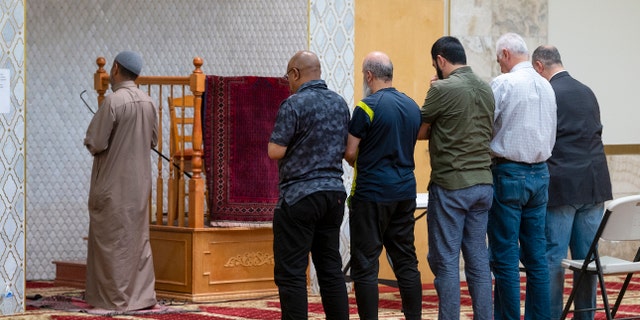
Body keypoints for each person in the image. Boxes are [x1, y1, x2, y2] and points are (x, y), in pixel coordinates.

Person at [532, 45, 613, 320]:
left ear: (540, 67)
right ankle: (585, 316)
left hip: (562, 186)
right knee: (586, 260)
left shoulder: (548, 92)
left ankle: (551, 316)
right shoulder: (586, 90)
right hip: (594, 184)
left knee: (553, 258)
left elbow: (542, 140)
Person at [268, 50, 350, 320]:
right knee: (330, 269)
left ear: (295, 73)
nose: (288, 82)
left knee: (291, 273)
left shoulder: (294, 104)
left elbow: (275, 150)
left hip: (299, 197)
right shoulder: (340, 103)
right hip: (334, 195)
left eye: (288, 76)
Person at [418, 36, 494, 320]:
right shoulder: (486, 88)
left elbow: (419, 130)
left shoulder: (442, 89)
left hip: (451, 185)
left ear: (440, 60)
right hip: (483, 184)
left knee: (446, 261)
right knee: (477, 261)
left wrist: (432, 92)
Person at [345, 51, 423, 320]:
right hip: (404, 192)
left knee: (366, 265)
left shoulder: (366, 107)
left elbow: (350, 152)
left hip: (371, 195)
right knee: (406, 261)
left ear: (369, 75)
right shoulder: (413, 106)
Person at [488, 33, 557, 320]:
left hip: (508, 173)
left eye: (498, 60)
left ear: (505, 54)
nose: (500, 65)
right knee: (536, 257)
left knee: (504, 257)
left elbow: (486, 126)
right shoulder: (547, 86)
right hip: (541, 174)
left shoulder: (502, 83)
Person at [83, 50, 158, 311]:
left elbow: (95, 142)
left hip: (113, 186)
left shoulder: (113, 102)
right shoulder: (149, 102)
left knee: (112, 242)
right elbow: (153, 141)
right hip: (139, 187)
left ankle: (113, 300)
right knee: (136, 241)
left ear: (115, 68)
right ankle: (142, 297)